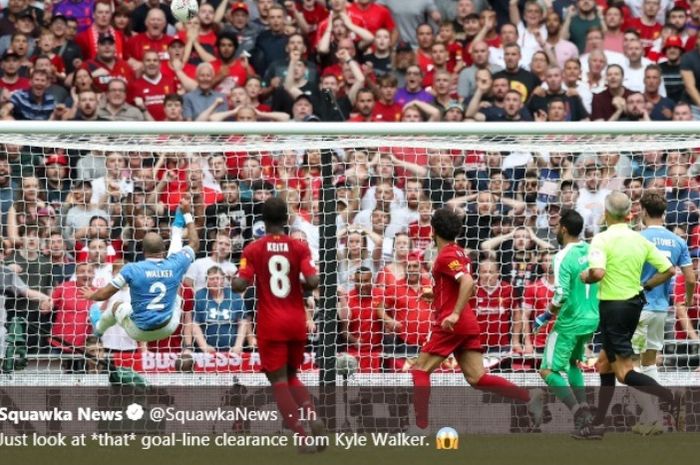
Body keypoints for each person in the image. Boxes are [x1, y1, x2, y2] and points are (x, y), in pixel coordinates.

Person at [409, 207, 543, 434]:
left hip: (453, 324)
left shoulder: (446, 256)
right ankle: (528, 397)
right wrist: (437, 293)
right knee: (477, 378)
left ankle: (420, 427)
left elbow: (469, 283)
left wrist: (454, 313)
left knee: (420, 371)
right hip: (468, 323)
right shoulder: (460, 252)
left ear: (433, 231)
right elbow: (463, 287)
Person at [580, 191, 684, 430]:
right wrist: (644, 285)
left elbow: (597, 273)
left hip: (614, 307)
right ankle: (598, 425)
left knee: (624, 372)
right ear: (630, 214)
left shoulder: (601, 239)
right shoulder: (640, 239)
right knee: (604, 364)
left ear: (606, 214)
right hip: (633, 305)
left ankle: (669, 397)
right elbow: (669, 270)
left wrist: (585, 276)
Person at [231, 197, 326, 452]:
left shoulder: (253, 249)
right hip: (297, 320)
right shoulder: (299, 247)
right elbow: (314, 280)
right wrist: (303, 281)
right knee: (293, 375)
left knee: (279, 381)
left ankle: (303, 437)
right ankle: (312, 414)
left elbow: (240, 284)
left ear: (262, 220)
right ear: (286, 220)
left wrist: (238, 278)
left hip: (271, 323)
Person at [82, 197, 199, 343]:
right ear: (163, 248)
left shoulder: (132, 269)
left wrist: (92, 295)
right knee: (177, 294)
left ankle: (99, 328)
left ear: (142, 250)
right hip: (168, 327)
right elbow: (194, 244)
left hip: (139, 331)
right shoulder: (175, 264)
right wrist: (188, 214)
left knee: (116, 305)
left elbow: (103, 294)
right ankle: (178, 225)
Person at [629, 192, 695, 435]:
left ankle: (654, 416)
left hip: (637, 308)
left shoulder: (637, 238)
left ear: (644, 211)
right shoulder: (677, 241)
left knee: (629, 366)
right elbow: (690, 277)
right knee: (649, 363)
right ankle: (650, 419)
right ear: (664, 213)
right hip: (660, 310)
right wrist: (686, 300)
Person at [534, 209, 602, 439]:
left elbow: (560, 294)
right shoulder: (591, 249)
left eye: (556, 226)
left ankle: (578, 412)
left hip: (570, 320)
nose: (554, 229)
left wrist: (545, 316)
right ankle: (586, 414)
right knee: (573, 362)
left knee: (547, 370)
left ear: (563, 228)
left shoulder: (562, 255)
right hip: (591, 318)